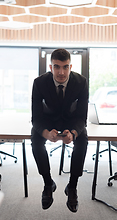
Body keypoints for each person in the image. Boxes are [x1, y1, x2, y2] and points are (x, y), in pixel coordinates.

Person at [31, 48, 88, 213]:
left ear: (71, 67)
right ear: (51, 67)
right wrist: (45, 133)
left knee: (83, 140)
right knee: (35, 139)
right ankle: (48, 183)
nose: (61, 72)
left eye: (65, 67)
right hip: (48, 119)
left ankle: (72, 186)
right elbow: (36, 117)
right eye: (57, 67)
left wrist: (74, 132)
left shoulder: (81, 82)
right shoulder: (39, 83)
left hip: (71, 120)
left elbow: (82, 117)